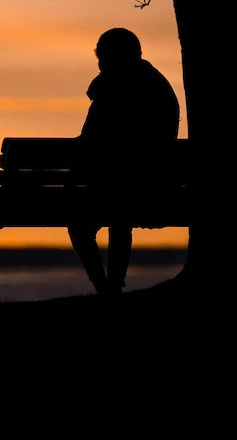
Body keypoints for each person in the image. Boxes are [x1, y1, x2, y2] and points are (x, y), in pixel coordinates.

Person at [69, 27, 181, 296]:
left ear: (109, 58)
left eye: (102, 58)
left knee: (83, 221)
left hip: (123, 188)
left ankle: (104, 286)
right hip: (158, 189)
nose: (99, 65)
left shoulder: (111, 88)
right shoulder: (158, 84)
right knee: (120, 213)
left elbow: (89, 141)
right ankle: (113, 283)